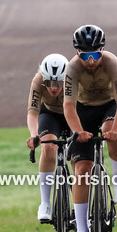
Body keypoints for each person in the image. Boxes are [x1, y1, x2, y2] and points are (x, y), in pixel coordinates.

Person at [62, 24, 117, 232]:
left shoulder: (112, 63)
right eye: (85, 56)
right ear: (77, 53)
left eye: (95, 55)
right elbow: (68, 106)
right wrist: (77, 131)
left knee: (111, 132)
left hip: (109, 107)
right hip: (84, 111)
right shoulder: (72, 68)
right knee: (81, 170)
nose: (91, 61)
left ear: (102, 50)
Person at [26, 53, 70, 223]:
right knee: (49, 147)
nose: (53, 87)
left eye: (59, 82)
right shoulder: (38, 81)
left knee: (78, 155)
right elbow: (32, 112)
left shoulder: (74, 79)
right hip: (50, 114)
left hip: (73, 114)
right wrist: (33, 134)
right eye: (49, 82)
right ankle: (45, 203)